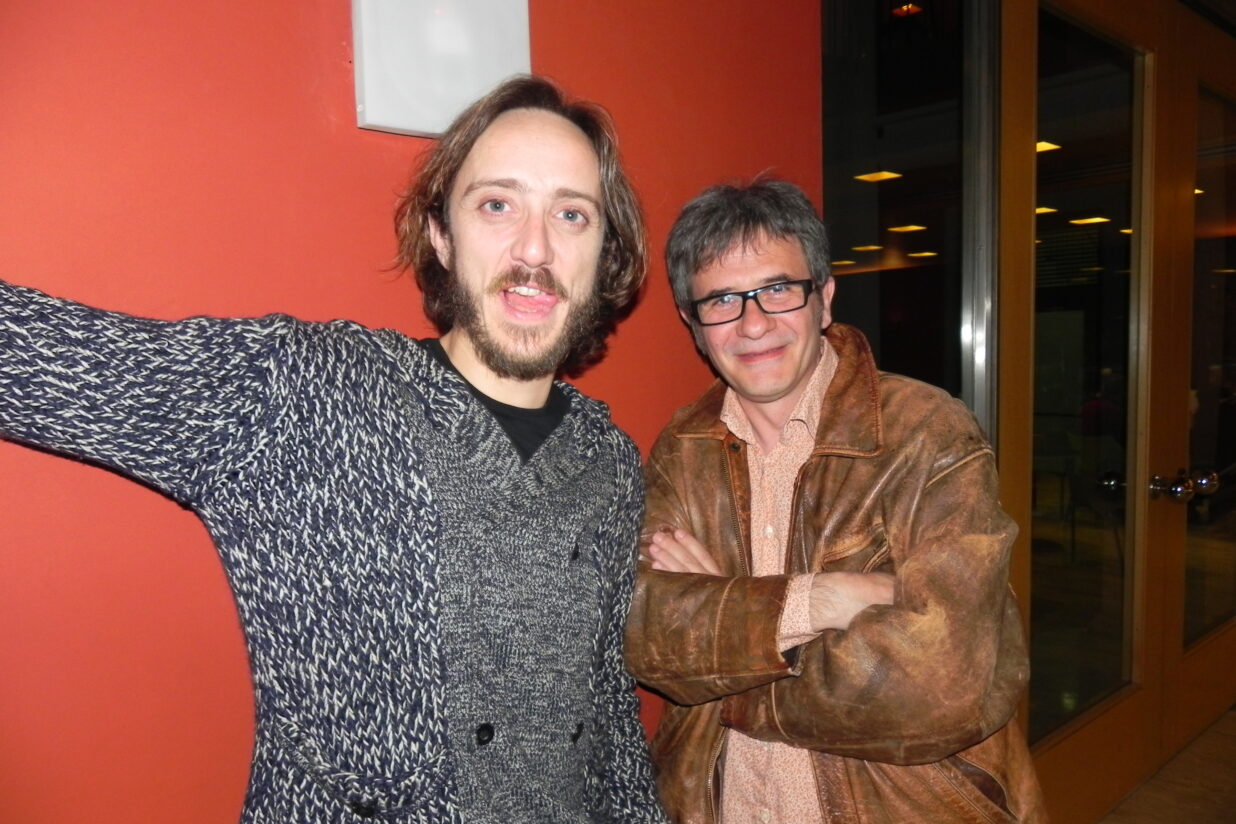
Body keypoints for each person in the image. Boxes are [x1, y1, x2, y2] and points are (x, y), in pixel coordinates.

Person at [0, 76, 666, 824]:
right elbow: (49, 359)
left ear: (603, 252)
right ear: (442, 235)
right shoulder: (309, 391)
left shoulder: (609, 463)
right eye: (497, 205)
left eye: (572, 214)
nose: (535, 247)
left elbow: (606, 710)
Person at [624, 179, 1045, 823]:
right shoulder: (682, 448)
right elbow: (644, 632)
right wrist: (822, 600)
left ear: (823, 298)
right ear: (694, 324)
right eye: (722, 300)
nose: (753, 323)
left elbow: (940, 684)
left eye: (778, 290)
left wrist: (729, 645)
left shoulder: (924, 431)